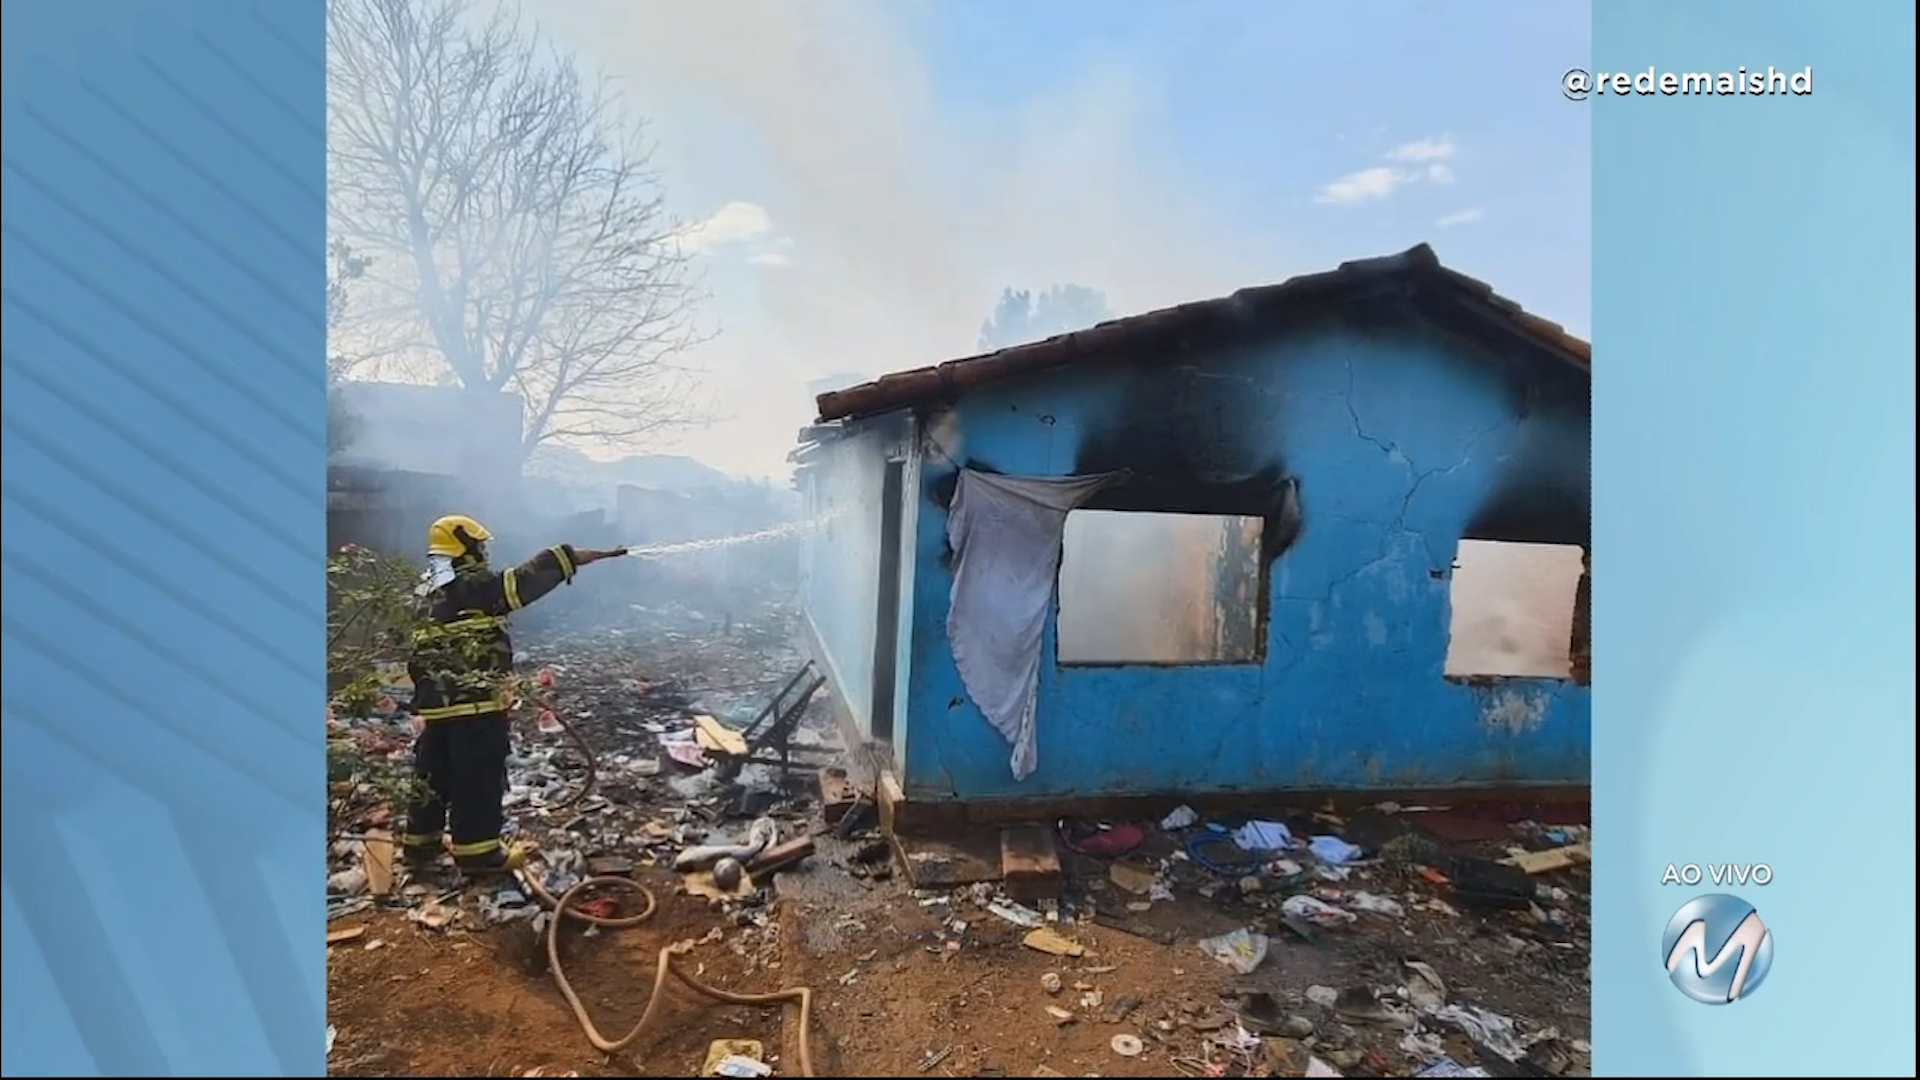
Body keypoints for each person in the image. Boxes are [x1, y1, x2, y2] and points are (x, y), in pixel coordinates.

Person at [398, 514, 625, 876]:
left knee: (432, 776)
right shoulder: (474, 587)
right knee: (476, 777)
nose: (485, 552)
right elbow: (526, 579)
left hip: (435, 710)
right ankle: (479, 855)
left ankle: (419, 848)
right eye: (480, 545)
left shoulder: (425, 591)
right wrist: (576, 556)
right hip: (475, 709)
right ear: (464, 548)